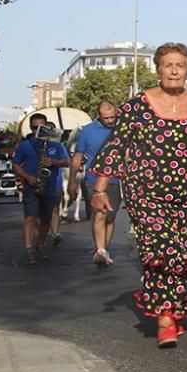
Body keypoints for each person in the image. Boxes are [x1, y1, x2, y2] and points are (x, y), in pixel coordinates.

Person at [89, 42, 187, 348]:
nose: (173, 70)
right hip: (145, 191)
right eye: (167, 65)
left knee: (182, 250)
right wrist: (100, 188)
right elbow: (116, 146)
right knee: (161, 248)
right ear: (158, 69)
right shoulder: (136, 106)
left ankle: (173, 305)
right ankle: (166, 317)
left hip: (186, 192)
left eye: (179, 65)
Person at [12, 113, 70, 265]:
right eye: (34, 127)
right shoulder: (25, 145)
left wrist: (53, 162)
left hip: (50, 186)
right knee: (30, 218)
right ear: (31, 128)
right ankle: (29, 249)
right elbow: (16, 165)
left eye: (41, 127)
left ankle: (41, 243)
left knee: (45, 219)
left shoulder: (56, 144)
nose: (38, 131)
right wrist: (28, 177)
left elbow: (67, 162)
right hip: (32, 186)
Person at [69, 100, 121, 266]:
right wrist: (72, 181)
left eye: (113, 117)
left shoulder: (122, 129)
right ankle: (100, 250)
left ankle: (104, 249)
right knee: (100, 214)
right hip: (94, 179)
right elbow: (77, 157)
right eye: (106, 118)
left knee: (110, 218)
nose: (110, 121)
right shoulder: (88, 131)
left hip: (117, 180)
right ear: (99, 116)